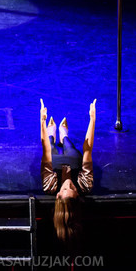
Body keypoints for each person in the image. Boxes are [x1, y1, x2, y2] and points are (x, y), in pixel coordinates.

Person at [40, 99, 95, 245]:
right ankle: (64, 137)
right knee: (71, 148)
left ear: (58, 194)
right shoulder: (84, 185)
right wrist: (92, 120)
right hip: (73, 159)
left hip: (54, 160)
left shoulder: (50, 186)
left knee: (50, 146)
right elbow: (87, 150)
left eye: (66, 188)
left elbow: (45, 151)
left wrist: (42, 123)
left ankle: (52, 135)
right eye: (73, 188)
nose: (70, 184)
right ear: (78, 195)